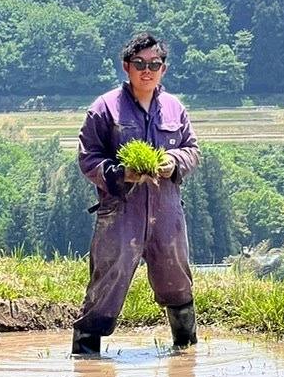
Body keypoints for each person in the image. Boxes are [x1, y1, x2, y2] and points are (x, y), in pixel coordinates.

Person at [71, 32, 200, 356]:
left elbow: (192, 150)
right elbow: (88, 158)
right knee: (106, 283)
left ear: (163, 69)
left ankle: (186, 352)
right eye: (139, 63)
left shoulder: (175, 109)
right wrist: (119, 173)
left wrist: (174, 162)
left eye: (155, 64)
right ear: (126, 66)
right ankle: (85, 357)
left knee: (177, 281)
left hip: (167, 212)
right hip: (120, 211)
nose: (147, 71)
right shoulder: (104, 109)